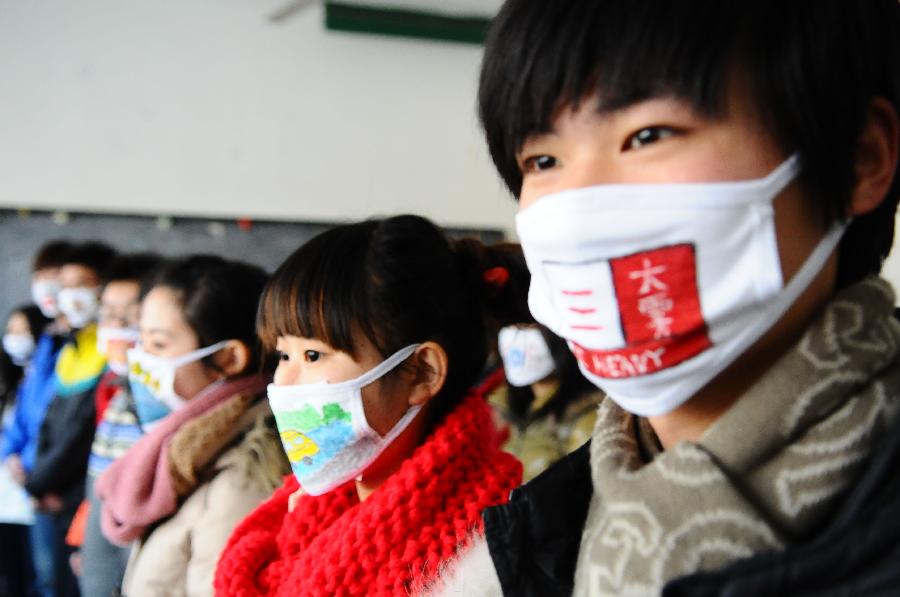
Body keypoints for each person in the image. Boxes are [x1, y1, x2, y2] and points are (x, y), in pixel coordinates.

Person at [464, 1, 900, 595]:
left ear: (859, 160)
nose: (579, 204)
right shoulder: (540, 531)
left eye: (648, 134)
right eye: (543, 161)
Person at [214, 215, 523, 596]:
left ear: (421, 373)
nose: (283, 383)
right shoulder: (302, 513)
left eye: (313, 355)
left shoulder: (490, 553)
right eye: (283, 355)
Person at [95, 255, 288, 597]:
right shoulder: (185, 453)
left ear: (229, 358)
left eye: (157, 344)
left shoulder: (244, 477)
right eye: (140, 340)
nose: (139, 359)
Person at [26, 241, 117, 597]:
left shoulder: (109, 350)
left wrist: (44, 485)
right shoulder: (69, 346)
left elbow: (83, 436)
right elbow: (49, 423)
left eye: (80, 283)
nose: (69, 295)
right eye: (65, 285)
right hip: (49, 491)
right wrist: (35, 479)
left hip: (75, 496)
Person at [69, 253, 161, 597]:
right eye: (108, 313)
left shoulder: (158, 398)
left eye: (130, 316)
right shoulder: (114, 387)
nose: (116, 324)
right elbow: (98, 478)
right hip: (99, 538)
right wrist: (85, 539)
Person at [1, 240, 74, 597]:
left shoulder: (75, 345)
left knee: (52, 580)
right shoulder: (48, 342)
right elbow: (25, 416)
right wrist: (10, 456)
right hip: (30, 477)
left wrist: (36, 476)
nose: (47, 286)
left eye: (54, 277)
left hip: (53, 485)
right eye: (40, 277)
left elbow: (63, 426)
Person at [492, 324, 600, 482]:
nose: (518, 335)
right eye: (516, 324)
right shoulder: (516, 412)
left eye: (530, 324)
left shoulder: (585, 419)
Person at [0, 304, 50, 597]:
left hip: (35, 494)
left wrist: (29, 470)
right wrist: (10, 455)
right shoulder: (14, 383)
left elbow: (42, 429)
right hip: (8, 499)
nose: (15, 338)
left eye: (23, 330)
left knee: (40, 579)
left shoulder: (43, 376)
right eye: (11, 331)